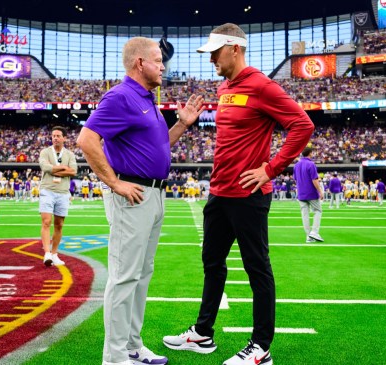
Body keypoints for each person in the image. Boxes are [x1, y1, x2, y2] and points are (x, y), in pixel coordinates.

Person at [162, 24, 314, 365]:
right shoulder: (225, 87)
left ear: (235, 48)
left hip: (249, 194)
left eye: (216, 51)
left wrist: (270, 169)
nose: (212, 58)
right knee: (212, 264)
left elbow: (303, 125)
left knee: (257, 268)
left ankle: (261, 348)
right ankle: (202, 334)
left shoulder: (262, 85)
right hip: (219, 192)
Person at [77, 36, 205, 365]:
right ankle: (115, 356)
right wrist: (114, 182)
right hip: (133, 195)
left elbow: (160, 144)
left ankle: (133, 346)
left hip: (153, 193)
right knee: (124, 276)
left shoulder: (146, 98)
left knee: (141, 275)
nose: (163, 65)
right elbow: (87, 139)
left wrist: (182, 124)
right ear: (140, 63)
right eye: (157, 59)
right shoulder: (120, 96)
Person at [39, 126, 77, 267]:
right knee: (46, 221)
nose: (55, 138)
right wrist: (63, 169)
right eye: (53, 135)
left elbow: (73, 171)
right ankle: (47, 253)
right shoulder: (45, 152)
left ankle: (54, 254)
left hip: (63, 192)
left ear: (64, 138)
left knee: (59, 225)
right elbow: (45, 167)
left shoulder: (70, 154)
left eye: (58, 135)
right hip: (47, 190)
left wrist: (54, 170)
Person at [294, 148, 324, 243]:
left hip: (301, 193)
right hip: (311, 192)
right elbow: (314, 180)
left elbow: (296, 179)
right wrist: (320, 191)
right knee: (318, 211)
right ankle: (314, 232)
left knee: (304, 214)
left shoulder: (296, 165)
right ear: (310, 153)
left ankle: (308, 236)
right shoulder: (311, 164)